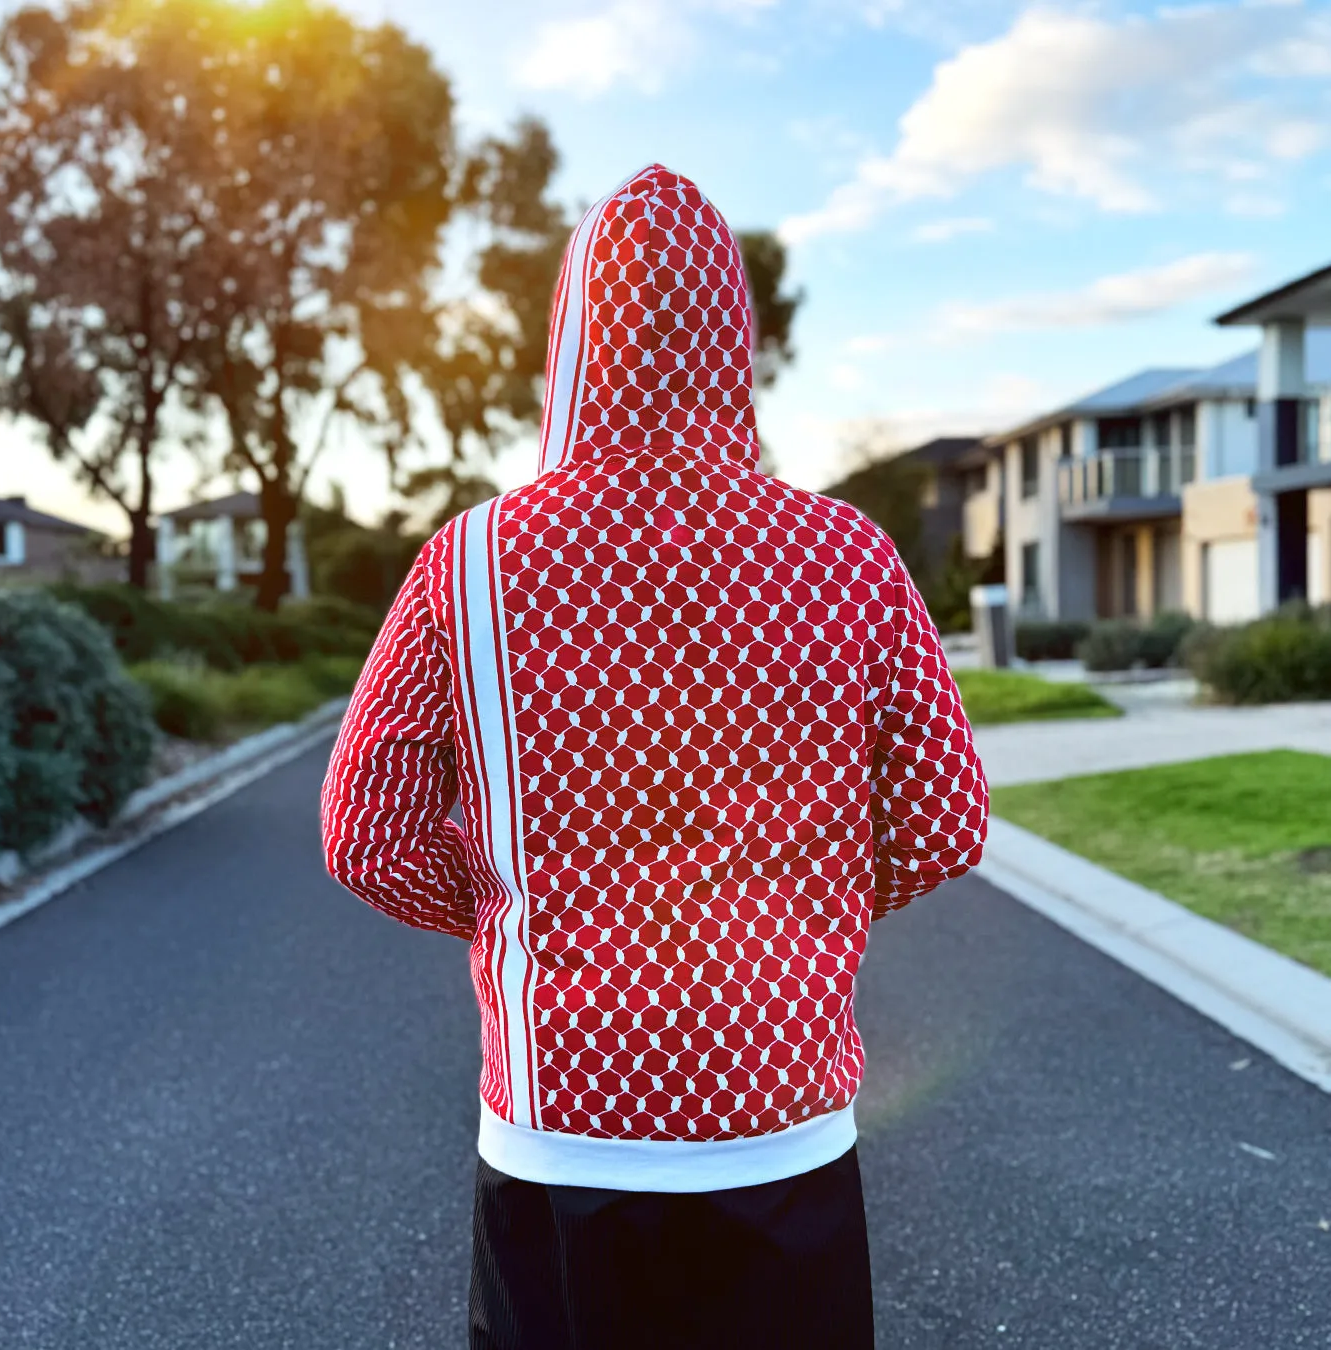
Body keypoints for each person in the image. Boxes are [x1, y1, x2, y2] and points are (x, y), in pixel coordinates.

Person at [320, 163, 988, 1350]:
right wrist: (810, 901)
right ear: (734, 333)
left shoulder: (469, 564)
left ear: (572, 332)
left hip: (556, 1134)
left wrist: (509, 908)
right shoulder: (852, 556)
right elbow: (943, 824)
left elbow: (365, 836)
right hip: (782, 1127)